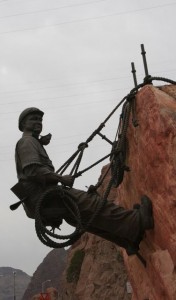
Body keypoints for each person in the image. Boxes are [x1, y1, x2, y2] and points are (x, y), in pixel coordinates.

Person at [12, 107, 154, 255]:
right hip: (45, 196)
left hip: (39, 200)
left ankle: (128, 240)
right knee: (92, 204)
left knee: (84, 219)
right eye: (33, 119)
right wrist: (61, 178)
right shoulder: (27, 142)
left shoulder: (32, 142)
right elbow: (32, 170)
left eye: (40, 120)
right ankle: (137, 221)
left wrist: (40, 142)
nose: (38, 122)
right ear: (23, 124)